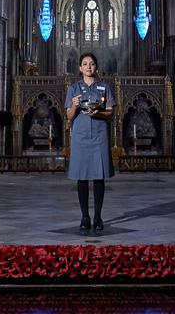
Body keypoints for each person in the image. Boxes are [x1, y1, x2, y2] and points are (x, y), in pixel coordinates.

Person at [65, 53, 115, 231]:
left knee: (99, 177)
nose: (88, 67)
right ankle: (85, 217)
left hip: (100, 136)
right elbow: (69, 116)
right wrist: (75, 106)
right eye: (85, 64)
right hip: (80, 136)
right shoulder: (73, 88)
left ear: (96, 67)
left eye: (92, 64)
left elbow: (111, 112)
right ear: (80, 68)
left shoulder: (104, 87)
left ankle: (98, 217)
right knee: (82, 177)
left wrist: (99, 113)